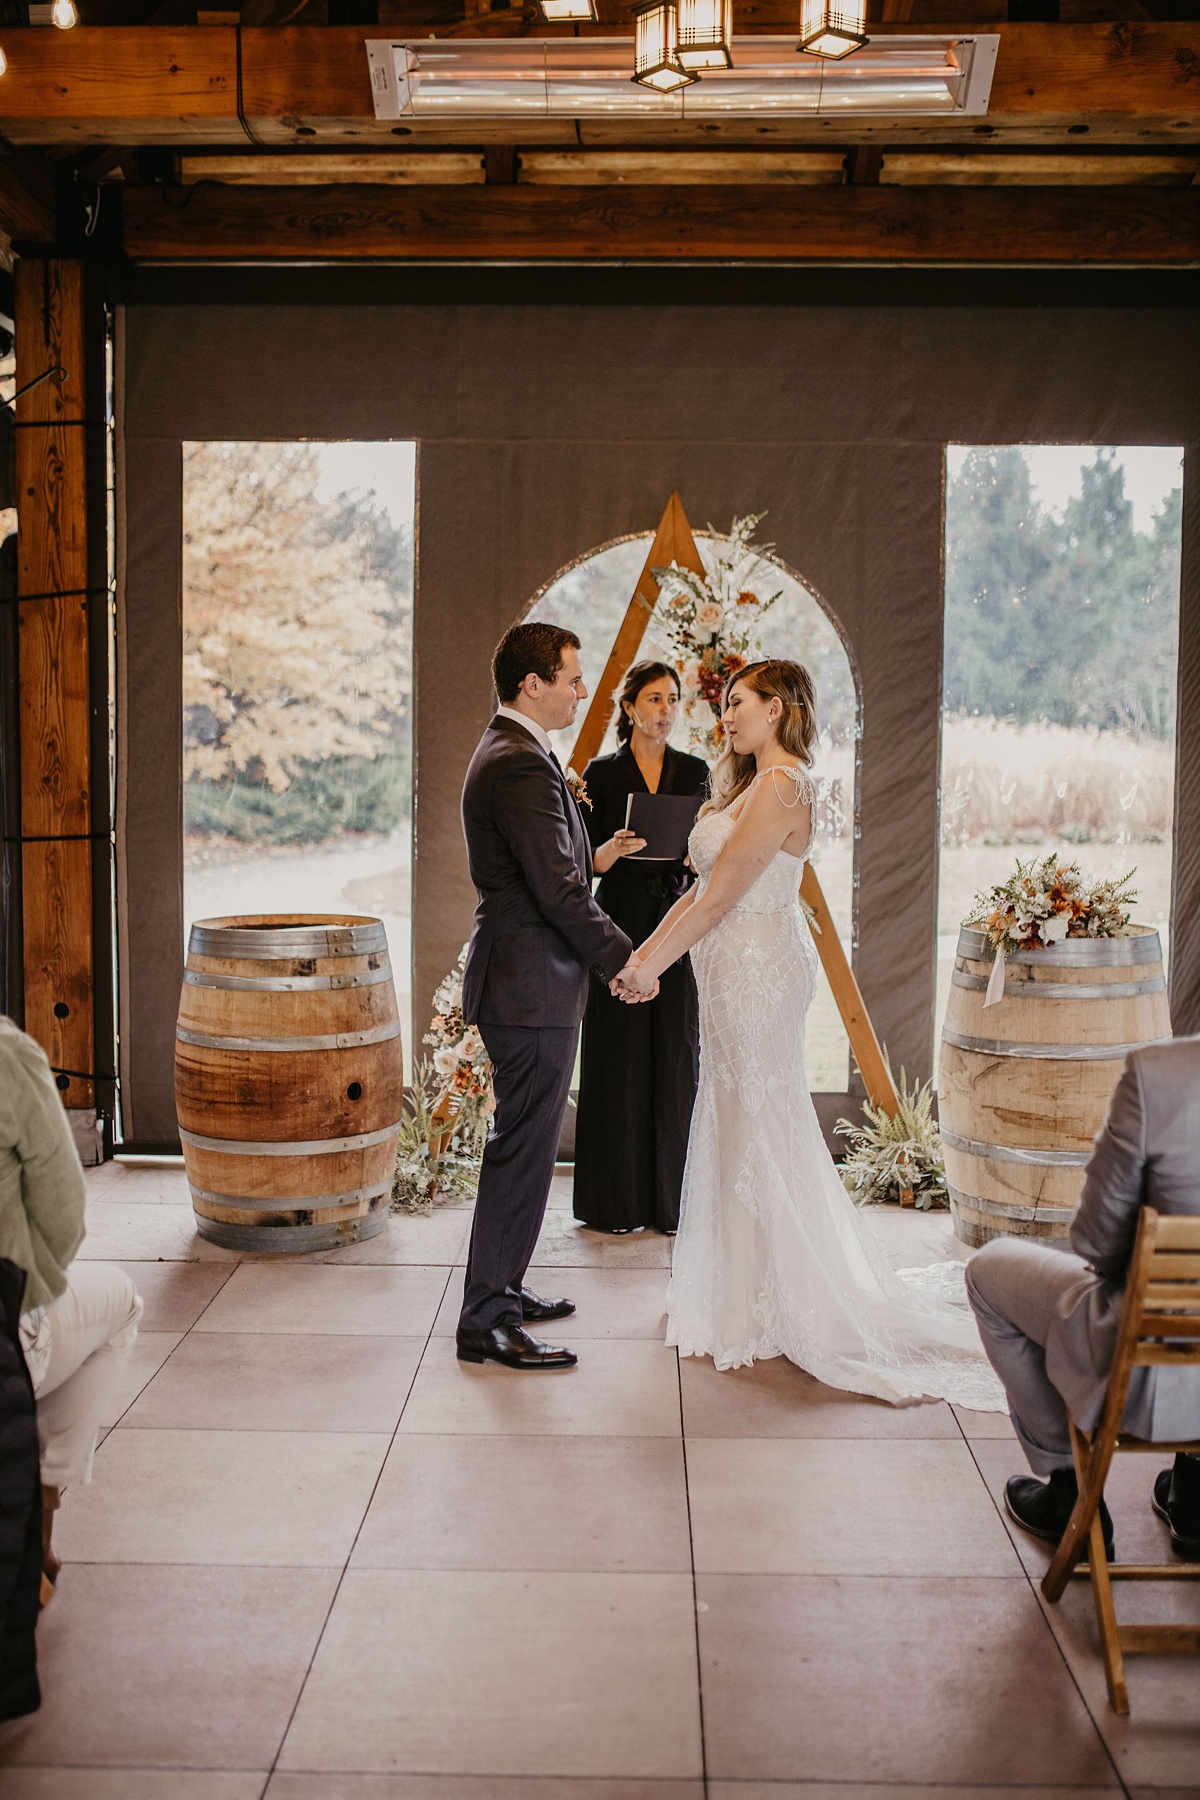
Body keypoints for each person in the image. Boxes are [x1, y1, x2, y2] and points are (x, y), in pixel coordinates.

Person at [614, 659, 1003, 1409]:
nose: (726, 715)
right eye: (725, 704)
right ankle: (741, 1290)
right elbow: (699, 890)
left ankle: (780, 1300)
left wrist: (648, 966)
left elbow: (725, 893)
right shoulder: (748, 784)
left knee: (760, 1118)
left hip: (759, 967)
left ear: (779, 707)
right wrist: (642, 959)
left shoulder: (786, 784)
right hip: (727, 966)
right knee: (731, 1116)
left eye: (739, 704)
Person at [455, 622, 653, 1372]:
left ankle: (502, 1285)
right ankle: (486, 1318)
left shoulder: (519, 752)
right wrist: (624, 963)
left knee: (527, 1150)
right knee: (522, 1151)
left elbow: (558, 869)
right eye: (571, 677)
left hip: (528, 982)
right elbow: (559, 891)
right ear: (531, 684)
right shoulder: (518, 765)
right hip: (528, 986)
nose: (580, 689)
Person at [967, 1038, 1200, 1561]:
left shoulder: (1161, 1076)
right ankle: (1195, 1495)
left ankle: (1071, 1493)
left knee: (987, 1274)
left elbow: (1095, 1242)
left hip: (1148, 1369)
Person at [0, 1015, 143, 1605]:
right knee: (121, 1305)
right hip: (7, 1333)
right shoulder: (7, 1052)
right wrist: (29, 1288)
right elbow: (64, 1213)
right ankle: (40, 1515)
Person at [574, 661, 709, 1236]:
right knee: (618, 1053)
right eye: (653, 699)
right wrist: (610, 849)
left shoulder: (697, 771)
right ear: (628, 707)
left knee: (676, 1053)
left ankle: (672, 1205)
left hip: (678, 917)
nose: (664, 710)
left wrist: (690, 858)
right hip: (620, 917)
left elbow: (711, 854)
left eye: (673, 699)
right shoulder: (599, 776)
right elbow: (580, 864)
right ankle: (615, 1204)